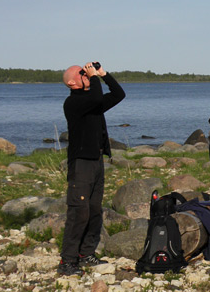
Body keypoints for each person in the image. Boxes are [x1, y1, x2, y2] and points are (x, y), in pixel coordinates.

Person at [58, 62, 125, 276]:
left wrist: (103, 74)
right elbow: (96, 98)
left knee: (95, 210)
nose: (86, 74)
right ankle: (68, 261)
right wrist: (94, 78)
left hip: (96, 160)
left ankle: (86, 253)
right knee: (79, 212)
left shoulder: (92, 102)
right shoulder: (73, 103)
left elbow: (119, 94)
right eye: (82, 74)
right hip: (81, 164)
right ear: (71, 83)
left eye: (86, 72)